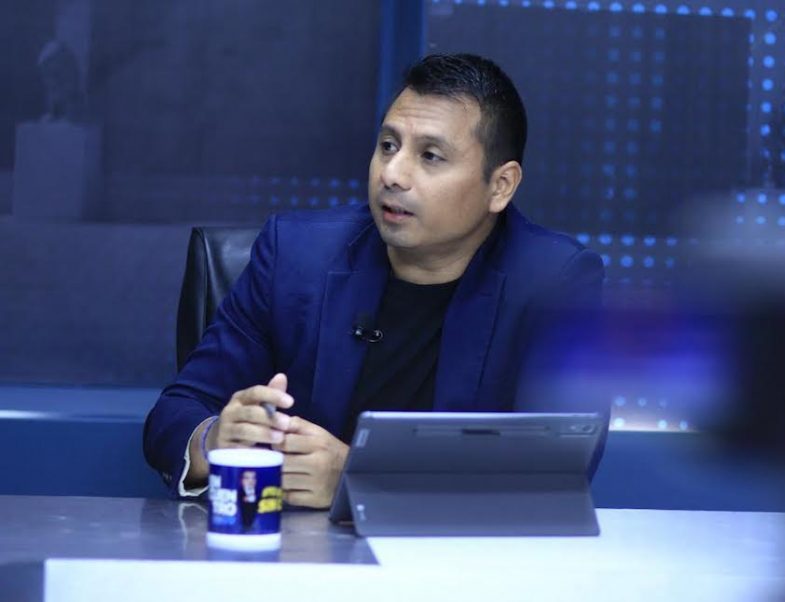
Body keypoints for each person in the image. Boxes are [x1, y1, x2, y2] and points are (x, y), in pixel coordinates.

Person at [143, 53, 605, 508]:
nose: (392, 174)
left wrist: (358, 481)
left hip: (458, 553)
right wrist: (214, 439)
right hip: (293, 548)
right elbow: (175, 413)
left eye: (430, 156)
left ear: (500, 186)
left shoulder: (555, 284)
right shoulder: (296, 256)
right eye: (387, 145)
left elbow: (556, 468)